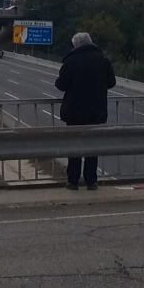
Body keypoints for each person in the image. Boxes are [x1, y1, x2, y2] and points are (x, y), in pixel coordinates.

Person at [55, 32, 116, 190]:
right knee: (92, 147)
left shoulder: (71, 61)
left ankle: (73, 181)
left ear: (76, 45)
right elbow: (111, 82)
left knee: (74, 148)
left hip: (75, 111)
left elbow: (61, 85)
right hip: (97, 111)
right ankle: (91, 181)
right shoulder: (103, 60)